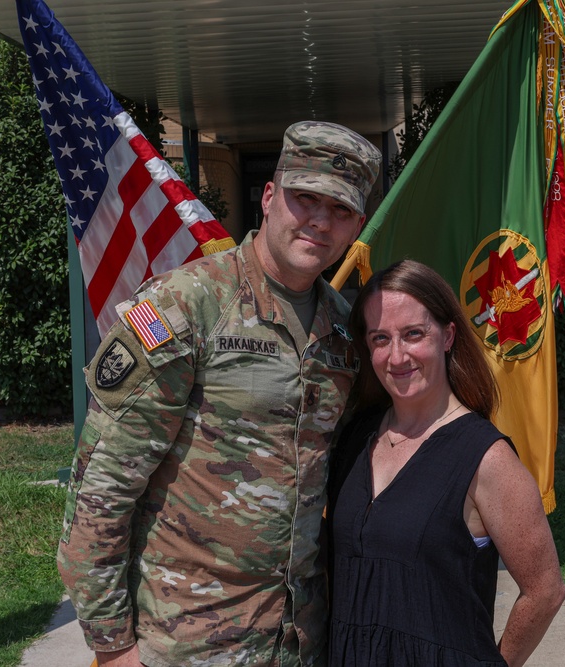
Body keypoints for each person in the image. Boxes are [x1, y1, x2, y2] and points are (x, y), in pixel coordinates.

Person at [59, 121, 382, 667]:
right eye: (306, 198)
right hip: (187, 640)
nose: (320, 221)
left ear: (357, 225)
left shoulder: (346, 334)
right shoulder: (188, 305)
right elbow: (103, 483)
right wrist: (113, 646)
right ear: (270, 197)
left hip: (300, 642)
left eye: (341, 209)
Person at [327, 260, 565, 667]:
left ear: (448, 335)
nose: (397, 355)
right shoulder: (354, 437)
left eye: (414, 334)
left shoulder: (486, 457)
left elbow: (545, 590)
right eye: (380, 338)